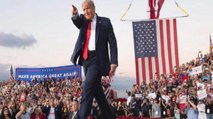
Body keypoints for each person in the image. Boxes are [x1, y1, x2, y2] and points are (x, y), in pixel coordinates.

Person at [70, 0, 118, 119]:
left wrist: (114, 62)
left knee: (87, 87)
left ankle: (80, 117)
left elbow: (112, 43)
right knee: (97, 91)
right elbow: (77, 21)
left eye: (88, 8)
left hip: (98, 59)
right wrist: (75, 15)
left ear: (94, 8)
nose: (86, 11)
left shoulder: (105, 22)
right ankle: (109, 116)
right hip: (86, 59)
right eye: (84, 9)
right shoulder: (84, 20)